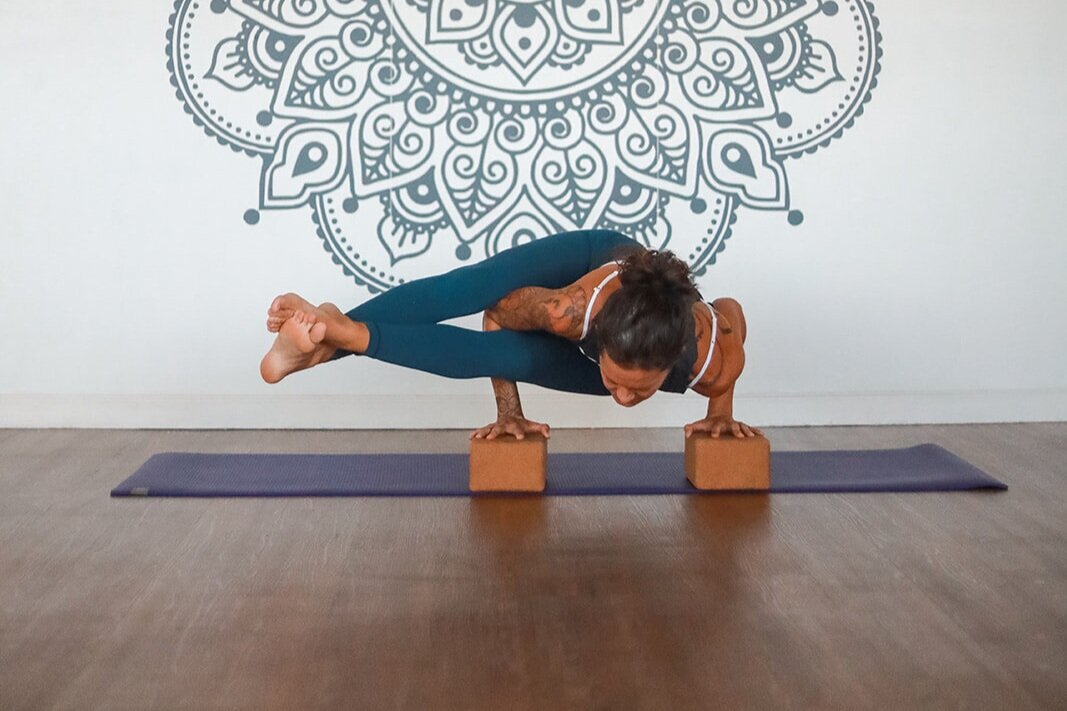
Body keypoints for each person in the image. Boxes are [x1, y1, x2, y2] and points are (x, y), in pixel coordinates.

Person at [260, 229, 762, 441]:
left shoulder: (714, 356)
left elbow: (732, 310)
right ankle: (338, 333)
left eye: (641, 388)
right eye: (614, 383)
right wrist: (508, 412)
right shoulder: (567, 312)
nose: (626, 399)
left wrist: (720, 415)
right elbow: (497, 313)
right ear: (599, 344)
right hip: (587, 257)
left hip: (646, 323)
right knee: (472, 289)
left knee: (516, 356)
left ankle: (325, 336)